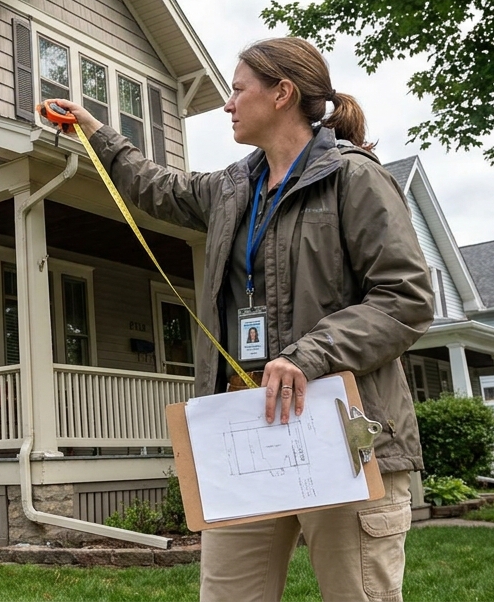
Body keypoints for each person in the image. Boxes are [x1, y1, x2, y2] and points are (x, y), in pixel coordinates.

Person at [44, 36, 433, 602]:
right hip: (244, 429)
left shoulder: (354, 177)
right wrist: (95, 130)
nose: (227, 104)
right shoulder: (232, 188)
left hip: (345, 434)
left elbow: (406, 297)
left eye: (237, 89)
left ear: (282, 93)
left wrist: (309, 354)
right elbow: (155, 187)